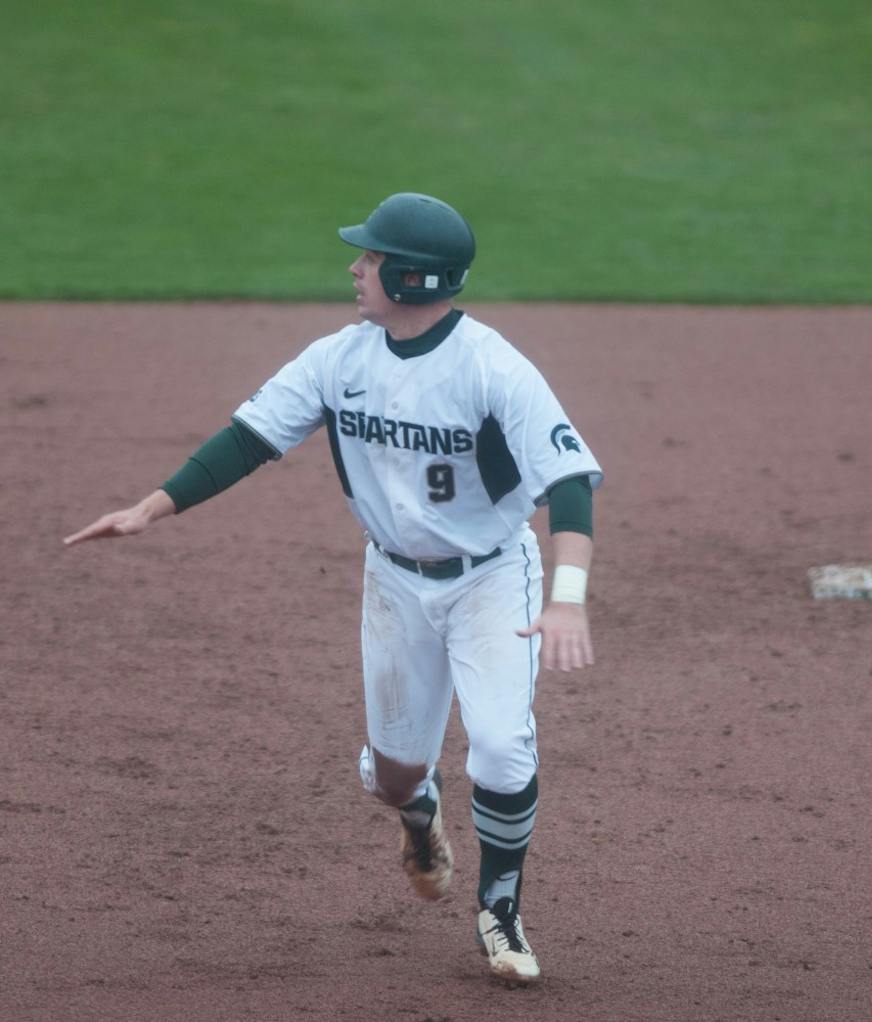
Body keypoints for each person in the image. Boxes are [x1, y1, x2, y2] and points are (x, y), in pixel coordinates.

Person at [64, 192, 603, 985]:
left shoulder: (494, 367)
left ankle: (500, 910)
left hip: (492, 581)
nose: (356, 268)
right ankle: (419, 810)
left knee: (500, 746)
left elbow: (572, 481)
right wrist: (153, 506)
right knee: (393, 775)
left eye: (373, 259)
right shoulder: (339, 360)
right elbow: (250, 437)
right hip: (393, 581)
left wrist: (566, 597)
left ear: (415, 280)